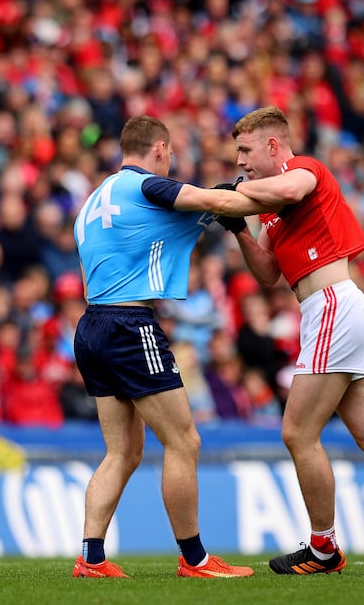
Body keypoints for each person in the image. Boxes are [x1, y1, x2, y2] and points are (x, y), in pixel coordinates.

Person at [217, 105, 364, 576]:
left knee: (297, 433)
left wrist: (231, 197)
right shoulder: (271, 212)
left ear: (273, 146)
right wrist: (240, 227)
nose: (239, 160)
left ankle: (323, 548)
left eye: (245, 150)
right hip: (341, 309)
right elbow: (267, 273)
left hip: (331, 308)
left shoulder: (302, 170)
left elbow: (285, 188)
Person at [71, 115, 271, 579]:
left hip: (92, 324)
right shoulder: (146, 186)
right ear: (159, 149)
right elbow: (208, 199)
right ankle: (196, 559)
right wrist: (259, 193)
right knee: (184, 441)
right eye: (171, 154)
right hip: (129, 323)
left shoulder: (94, 200)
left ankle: (91, 558)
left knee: (121, 452)